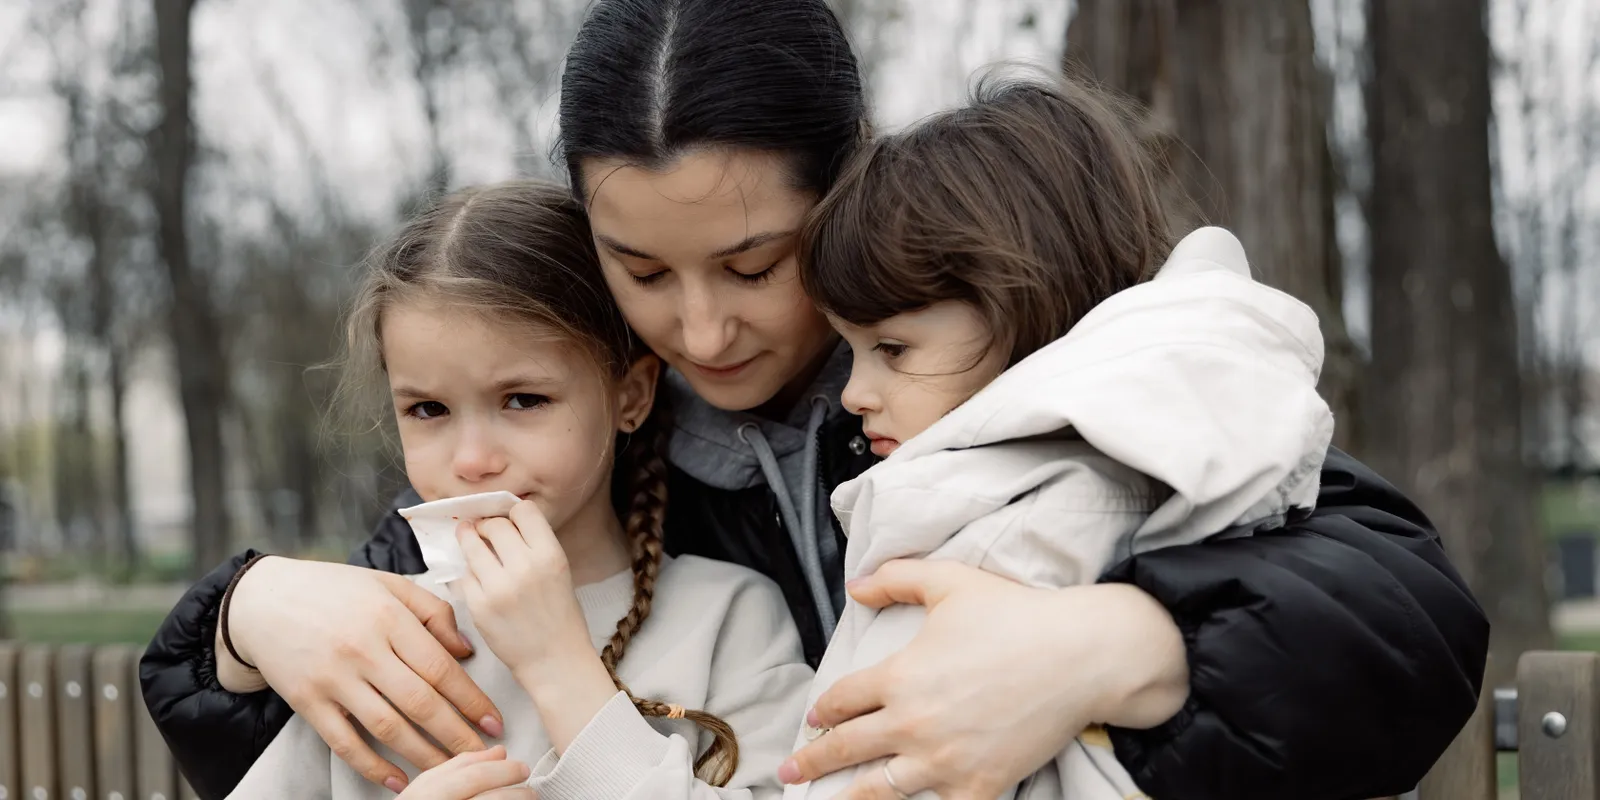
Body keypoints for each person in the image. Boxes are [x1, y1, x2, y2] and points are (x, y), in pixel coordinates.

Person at [140, 1, 1489, 799]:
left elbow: (1398, 611)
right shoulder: (579, 439)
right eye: (641, 270)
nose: (701, 328)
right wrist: (247, 617)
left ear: (840, 195)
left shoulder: (993, 377)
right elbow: (368, 705)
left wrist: (1113, 645)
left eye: (753, 265)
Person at [786, 73, 1336, 799]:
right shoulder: (1182, 451)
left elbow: (882, 772)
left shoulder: (989, 521)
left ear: (1023, 306)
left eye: (893, 349)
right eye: (852, 350)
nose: (855, 393)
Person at [220, 180, 811, 799]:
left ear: (631, 396)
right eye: (428, 409)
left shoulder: (730, 618)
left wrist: (557, 663)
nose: (473, 460)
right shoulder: (373, 634)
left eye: (524, 400)